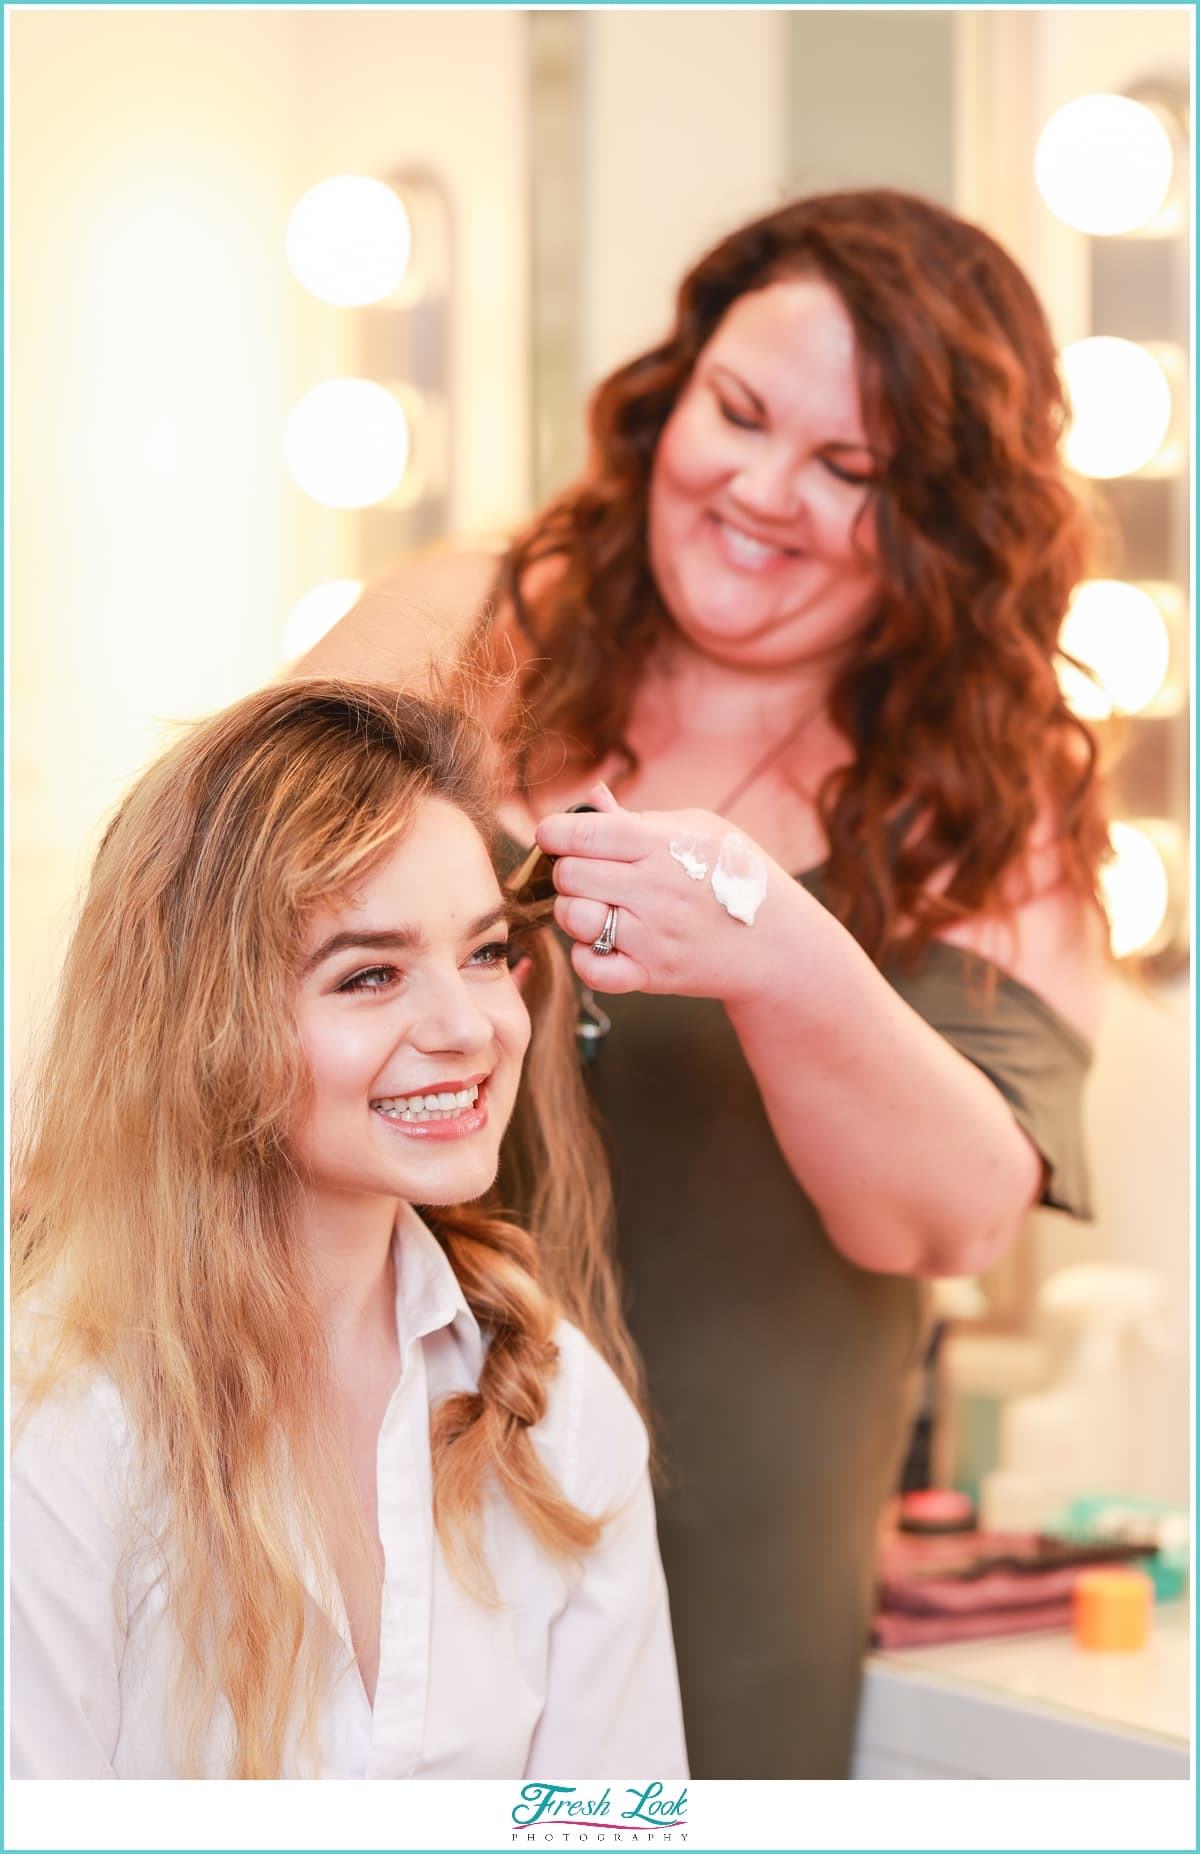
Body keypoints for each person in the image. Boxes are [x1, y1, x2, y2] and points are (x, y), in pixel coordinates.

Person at [297, 189, 1110, 1776]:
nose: (760, 490)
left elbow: (944, 1222)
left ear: (943, 523)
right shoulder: (469, 628)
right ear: (674, 388)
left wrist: (786, 961)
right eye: (736, 413)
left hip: (722, 1568)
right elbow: (202, 951)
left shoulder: (992, 804)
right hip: (334, 1506)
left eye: (850, 471)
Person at [10, 679, 687, 1780]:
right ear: (199, 1026)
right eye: (368, 974)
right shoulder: (56, 1415)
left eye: (481, 955)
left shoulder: (552, 1404)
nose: (468, 1028)